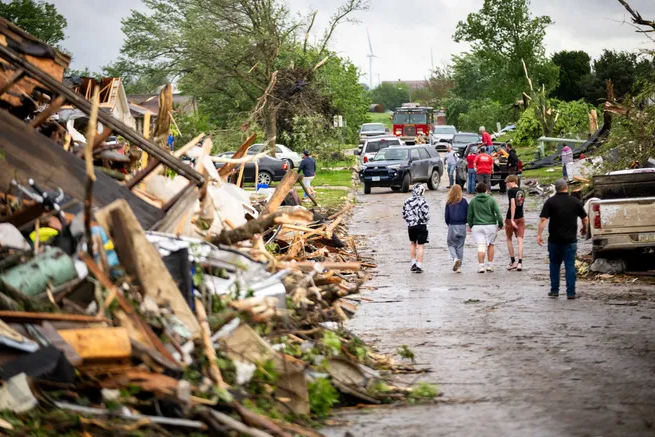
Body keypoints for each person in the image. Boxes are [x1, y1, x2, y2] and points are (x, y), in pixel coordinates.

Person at [537, 179, 589, 299]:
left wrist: (539, 234)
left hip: (554, 239)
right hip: (570, 240)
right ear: (567, 188)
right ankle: (571, 292)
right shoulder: (574, 201)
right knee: (570, 265)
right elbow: (585, 218)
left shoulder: (550, 202)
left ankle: (554, 290)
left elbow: (543, 219)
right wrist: (585, 229)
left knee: (554, 264)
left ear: (556, 188)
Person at [467, 183, 504, 273]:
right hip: (490, 225)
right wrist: (500, 224)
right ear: (486, 190)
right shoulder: (491, 200)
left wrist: (471, 225)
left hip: (477, 226)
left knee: (481, 246)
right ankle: (490, 265)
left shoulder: (473, 201)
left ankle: (481, 266)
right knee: (491, 244)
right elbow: (498, 213)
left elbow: (469, 215)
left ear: (477, 191)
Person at [402, 184, 430, 274]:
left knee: (413, 243)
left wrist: (410, 221)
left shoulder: (407, 201)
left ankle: (413, 263)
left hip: (411, 226)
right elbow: (427, 215)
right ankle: (419, 265)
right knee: (420, 245)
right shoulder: (423, 201)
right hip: (421, 225)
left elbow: (404, 214)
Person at [504, 175, 526, 271]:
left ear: (512, 182)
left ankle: (513, 261)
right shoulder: (522, 191)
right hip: (521, 217)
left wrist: (512, 219)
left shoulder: (511, 191)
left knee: (509, 239)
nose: (507, 184)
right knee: (520, 240)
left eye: (507, 182)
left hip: (511, 218)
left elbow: (513, 205)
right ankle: (520, 262)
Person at [445, 185, 468, 273]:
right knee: (460, 246)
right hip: (462, 225)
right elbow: (467, 212)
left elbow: (446, 216)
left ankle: (455, 259)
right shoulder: (464, 201)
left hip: (452, 225)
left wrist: (449, 224)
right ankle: (459, 267)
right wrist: (466, 221)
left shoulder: (449, 202)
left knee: (451, 244)